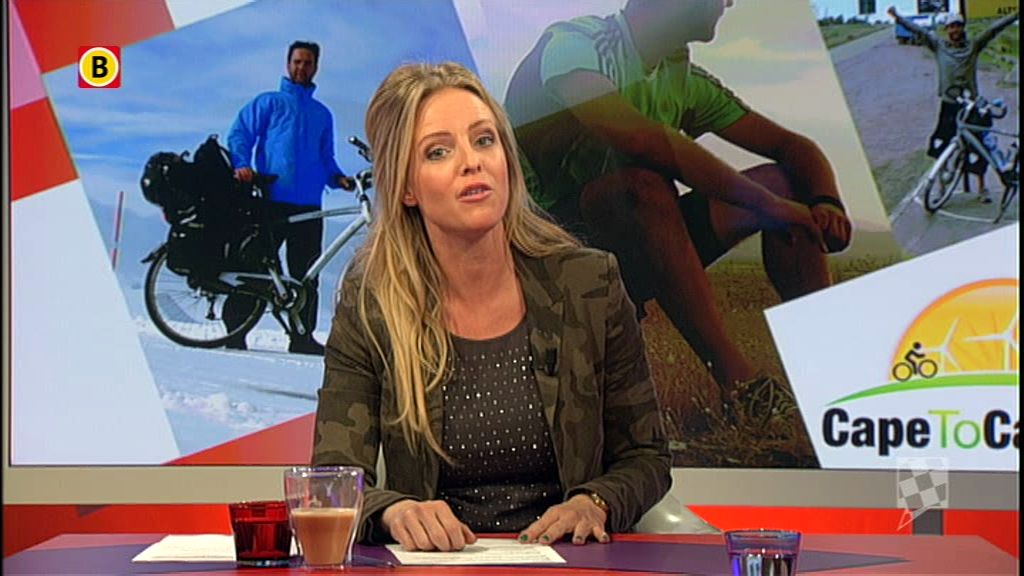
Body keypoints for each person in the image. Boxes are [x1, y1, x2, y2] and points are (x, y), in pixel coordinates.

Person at [312, 62, 671, 551]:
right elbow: (332, 480)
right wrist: (394, 511)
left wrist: (596, 501)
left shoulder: (589, 284)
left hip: (571, 560)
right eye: (439, 151)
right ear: (406, 188)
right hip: (438, 563)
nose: (472, 162)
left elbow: (646, 455)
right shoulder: (371, 303)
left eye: (484, 140)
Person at [504, 0, 851, 419]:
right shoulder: (574, 45)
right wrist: (772, 208)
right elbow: (639, 138)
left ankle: (829, 371)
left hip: (631, 245)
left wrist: (825, 202)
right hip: (550, 264)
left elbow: (793, 148)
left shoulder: (680, 77)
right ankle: (742, 389)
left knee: (787, 182)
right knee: (642, 186)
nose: (729, 2)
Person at [224, 40, 355, 355]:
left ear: (316, 67)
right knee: (257, 267)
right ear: (288, 64)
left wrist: (338, 179)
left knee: (306, 274)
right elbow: (240, 134)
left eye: (307, 63)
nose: (301, 68)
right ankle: (235, 332)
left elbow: (326, 157)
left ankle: (301, 337)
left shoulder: (322, 114)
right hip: (272, 200)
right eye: (297, 62)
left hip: (309, 205)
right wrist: (241, 164)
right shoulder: (269, 102)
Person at [887, 7, 1019, 203]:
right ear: (947, 29)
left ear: (962, 27)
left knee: (978, 146)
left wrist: (1015, 15)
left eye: (958, 26)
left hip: (971, 106)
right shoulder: (938, 45)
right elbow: (918, 30)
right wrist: (898, 17)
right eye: (951, 26)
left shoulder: (973, 45)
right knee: (942, 145)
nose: (955, 30)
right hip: (949, 105)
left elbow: (993, 29)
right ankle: (941, 187)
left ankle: (982, 188)